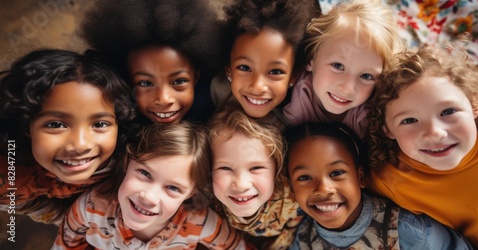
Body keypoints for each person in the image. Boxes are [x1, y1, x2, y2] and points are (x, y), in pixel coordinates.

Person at [366, 44, 478, 248]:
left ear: (474, 105)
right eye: (409, 120)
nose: (435, 133)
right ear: (387, 130)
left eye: (448, 112)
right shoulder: (389, 180)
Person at [53, 122, 250, 249]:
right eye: (145, 173)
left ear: (191, 193)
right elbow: (66, 244)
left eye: (173, 188)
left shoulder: (200, 223)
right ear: (127, 163)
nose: (149, 197)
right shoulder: (90, 208)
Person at [284, 122, 472, 249]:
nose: (324, 189)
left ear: (361, 177)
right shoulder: (303, 240)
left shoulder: (406, 231)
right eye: (304, 178)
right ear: (292, 188)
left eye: (337, 173)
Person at [0, 49, 134, 224]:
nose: (80, 144)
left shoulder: (130, 160)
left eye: (100, 124)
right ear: (26, 125)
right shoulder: (9, 174)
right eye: (56, 125)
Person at [81, 0, 225, 124]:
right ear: (127, 81)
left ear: (196, 77)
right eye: (145, 83)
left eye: (179, 81)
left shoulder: (214, 109)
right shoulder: (117, 120)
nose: (164, 99)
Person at [283, 0, 403, 138]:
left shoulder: (369, 117)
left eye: (366, 76)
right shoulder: (292, 92)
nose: (347, 88)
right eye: (338, 66)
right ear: (311, 58)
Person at [208, 104, 302, 249]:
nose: (241, 184)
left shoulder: (294, 200)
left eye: (256, 168)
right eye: (225, 168)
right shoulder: (207, 204)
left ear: (277, 170)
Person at [211, 0, 315, 119]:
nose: (257, 86)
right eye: (244, 68)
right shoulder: (214, 93)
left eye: (275, 72)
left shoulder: (296, 116)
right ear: (228, 70)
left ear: (293, 77)